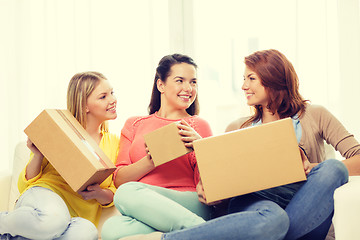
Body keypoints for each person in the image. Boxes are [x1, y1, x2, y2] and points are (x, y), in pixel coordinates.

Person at [118, 49, 359, 240]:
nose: (244, 86)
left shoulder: (315, 114)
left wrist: (307, 168)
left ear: (273, 79)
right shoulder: (237, 127)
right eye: (244, 79)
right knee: (272, 219)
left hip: (305, 203)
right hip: (257, 203)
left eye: (251, 78)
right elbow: (214, 185)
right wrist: (209, 187)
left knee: (333, 169)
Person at [101, 54, 213, 240]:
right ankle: (198, 232)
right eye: (180, 81)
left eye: (193, 82)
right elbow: (119, 180)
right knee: (111, 230)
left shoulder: (198, 125)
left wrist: (200, 146)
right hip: (144, 205)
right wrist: (152, 160)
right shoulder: (134, 124)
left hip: (189, 202)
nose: (188, 88)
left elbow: (211, 184)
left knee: (127, 193)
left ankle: (205, 231)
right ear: (160, 85)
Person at [0, 71, 120, 240]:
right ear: (85, 105)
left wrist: (99, 193)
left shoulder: (115, 142)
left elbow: (114, 191)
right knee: (53, 220)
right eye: (103, 96)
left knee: (87, 234)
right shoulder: (62, 132)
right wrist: (37, 155)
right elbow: (24, 185)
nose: (112, 100)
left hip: (76, 217)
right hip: (44, 198)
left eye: (112, 93)